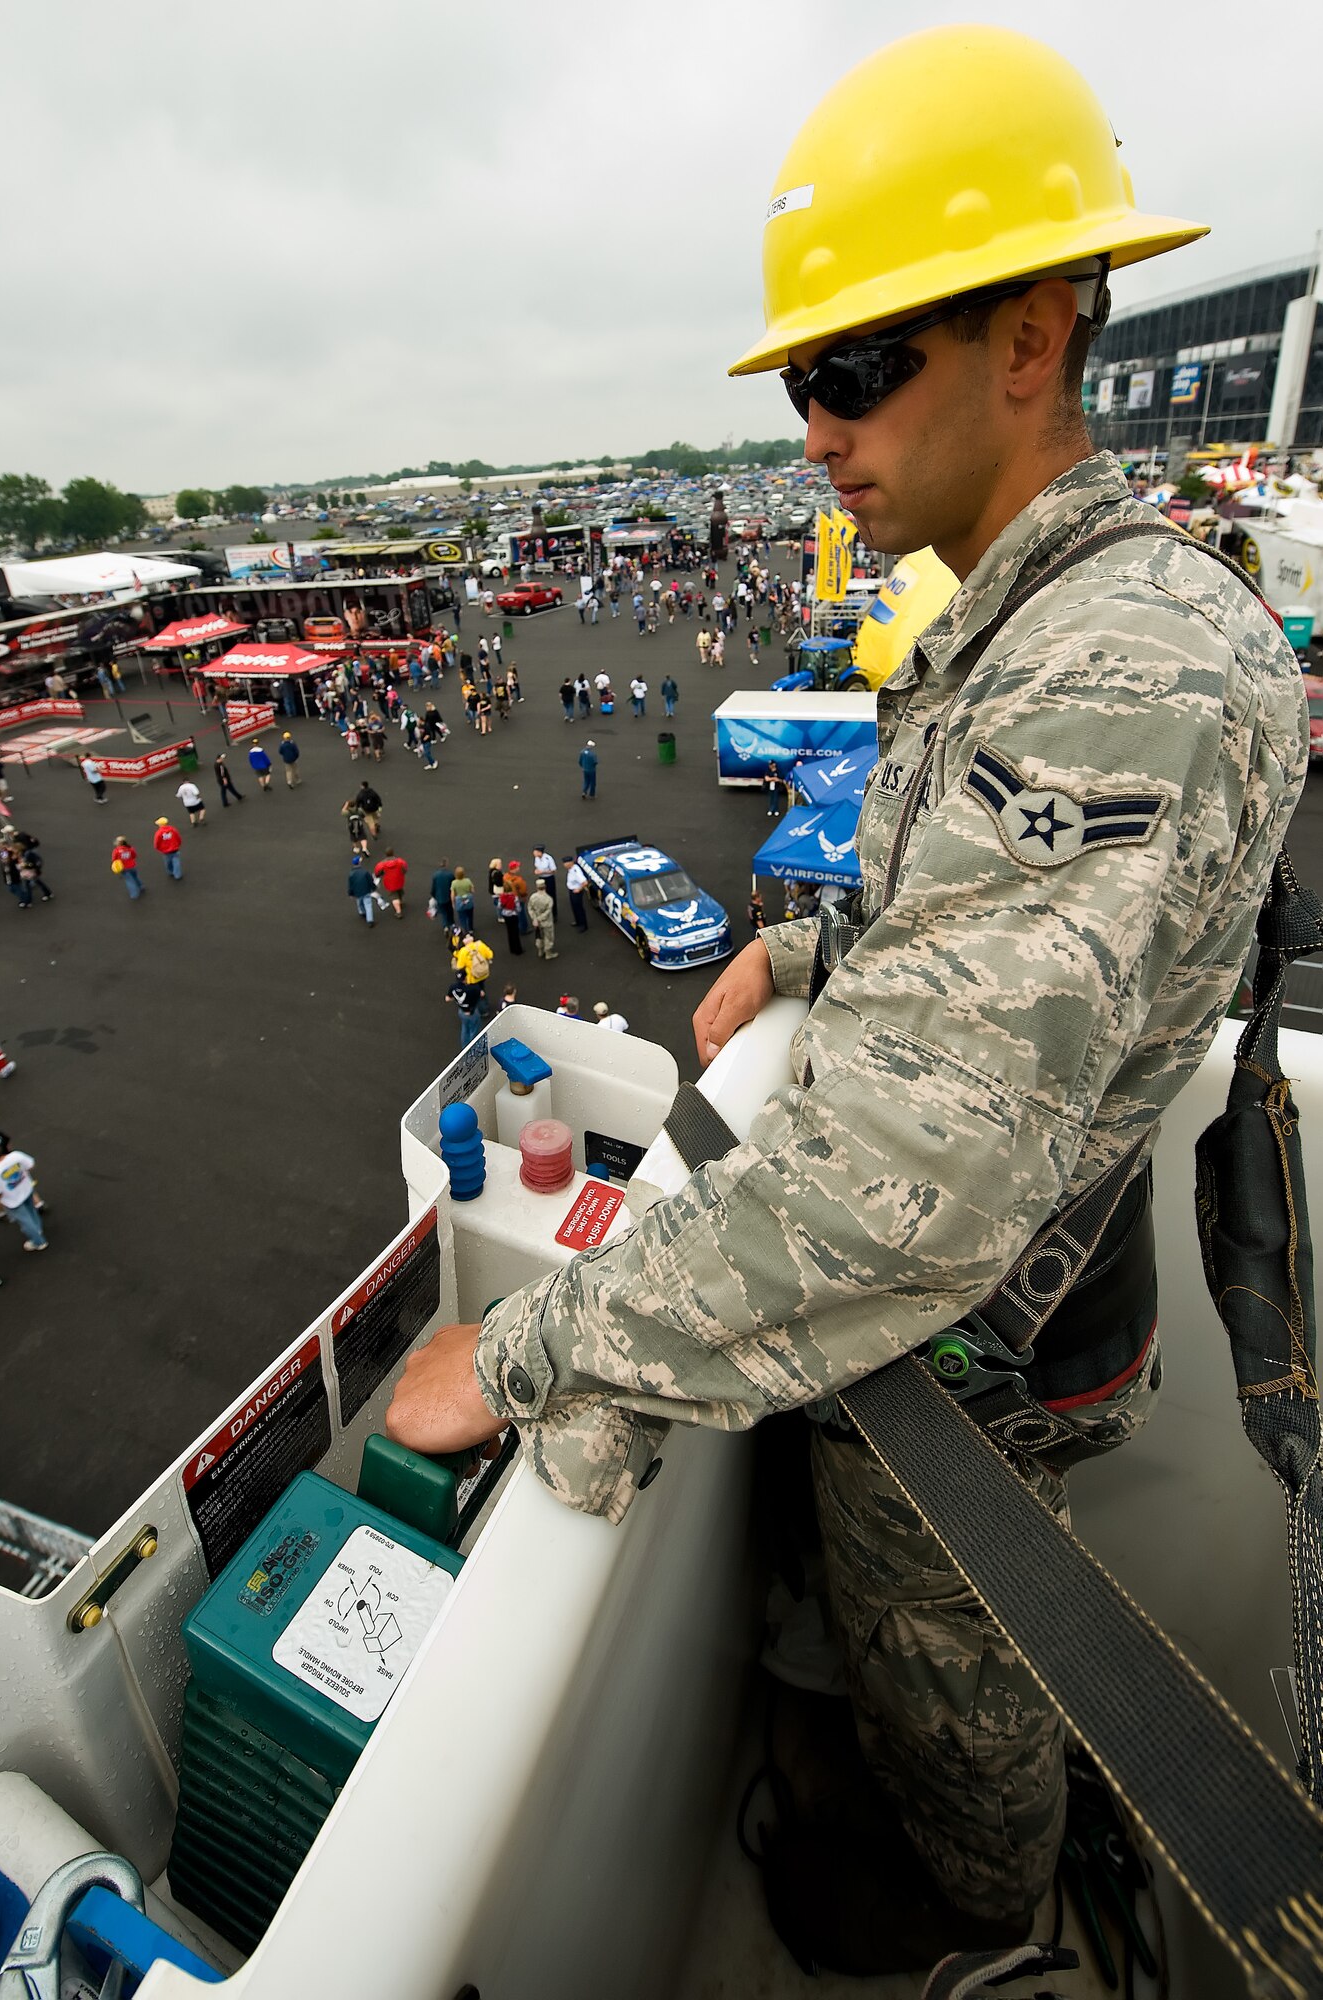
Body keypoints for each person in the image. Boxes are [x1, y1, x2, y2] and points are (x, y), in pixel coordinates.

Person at [381, 27, 1306, 1974]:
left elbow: (894, 1188)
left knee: (962, 1686)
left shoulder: (1114, 666)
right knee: (884, 1628)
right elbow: (981, 922)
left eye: (859, 366)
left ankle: (980, 1912)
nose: (816, 425)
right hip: (956, 1301)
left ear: (1035, 335)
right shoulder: (1030, 620)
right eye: (808, 378)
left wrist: (528, 1349)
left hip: (973, 1336)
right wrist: (808, 951)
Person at [0, 1146, 46, 1252]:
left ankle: (39, 1242)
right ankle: (38, 1229)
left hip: (12, 1201)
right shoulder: (16, 1156)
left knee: (25, 1222)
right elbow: (31, 1165)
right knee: (32, 1211)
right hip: (27, 1189)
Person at [447, 974, 488, 1048]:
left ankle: (465, 1047)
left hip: (462, 1011)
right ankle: (473, 1047)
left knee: (465, 1028)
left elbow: (447, 999)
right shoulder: (472, 989)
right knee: (474, 1030)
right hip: (472, 1013)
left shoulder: (453, 987)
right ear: (465, 978)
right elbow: (482, 994)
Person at [373, 849, 407, 916]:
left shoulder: (382, 864)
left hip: (389, 882)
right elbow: (405, 869)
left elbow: (377, 873)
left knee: (394, 896)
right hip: (399, 879)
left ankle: (398, 912)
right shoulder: (400, 861)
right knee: (399, 891)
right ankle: (400, 901)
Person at [527, 882, 557, 958]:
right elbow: (547, 912)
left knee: (539, 936)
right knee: (548, 937)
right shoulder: (548, 899)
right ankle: (548, 953)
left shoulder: (533, 897)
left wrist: (535, 919)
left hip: (536, 923)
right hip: (547, 922)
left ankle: (540, 950)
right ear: (545, 887)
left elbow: (530, 908)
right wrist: (539, 919)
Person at [496, 878, 524, 956]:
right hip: (513, 915)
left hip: (506, 915)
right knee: (515, 931)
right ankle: (518, 949)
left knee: (509, 931)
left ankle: (512, 948)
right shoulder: (514, 897)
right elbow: (518, 908)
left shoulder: (501, 897)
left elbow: (499, 907)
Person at [110, 835, 144, 899]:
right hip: (132, 866)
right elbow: (134, 855)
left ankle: (134, 894)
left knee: (129, 881)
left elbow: (114, 860)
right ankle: (140, 886)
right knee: (135, 877)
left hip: (124, 868)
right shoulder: (130, 848)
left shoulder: (116, 851)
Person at [347, 856, 378, 927]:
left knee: (359, 902)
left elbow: (350, 885)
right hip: (366, 891)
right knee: (368, 905)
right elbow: (370, 881)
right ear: (359, 863)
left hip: (357, 892)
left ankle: (362, 912)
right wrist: (374, 888)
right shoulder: (365, 872)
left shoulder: (351, 874)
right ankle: (370, 920)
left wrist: (350, 893)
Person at [532, 846, 558, 921]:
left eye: (535, 851)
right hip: (541, 878)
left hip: (549, 878)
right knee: (543, 894)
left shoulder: (548, 858)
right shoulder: (536, 858)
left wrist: (543, 872)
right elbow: (537, 866)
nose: (534, 853)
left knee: (551, 895)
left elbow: (553, 870)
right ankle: (545, 912)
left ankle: (554, 913)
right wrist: (537, 870)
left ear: (540, 852)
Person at [564, 856, 589, 931]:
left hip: (576, 892)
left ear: (571, 863)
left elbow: (585, 882)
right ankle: (578, 921)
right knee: (574, 907)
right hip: (572, 891)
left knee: (579, 908)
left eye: (566, 863)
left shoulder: (576, 871)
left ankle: (583, 925)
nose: (564, 865)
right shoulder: (571, 869)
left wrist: (579, 889)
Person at [431, 858, 456, 931]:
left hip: (439, 897)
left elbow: (434, 887)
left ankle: (445, 926)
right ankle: (452, 924)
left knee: (443, 912)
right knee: (450, 911)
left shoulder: (435, 875)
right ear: (447, 864)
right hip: (448, 897)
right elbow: (453, 886)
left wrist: (433, 895)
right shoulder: (450, 875)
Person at [451, 866, 477, 933]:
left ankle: (464, 930)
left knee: (462, 917)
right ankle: (471, 929)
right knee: (470, 916)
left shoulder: (454, 883)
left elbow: (453, 895)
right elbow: (473, 890)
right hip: (468, 901)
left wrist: (453, 903)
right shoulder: (468, 881)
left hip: (460, 902)